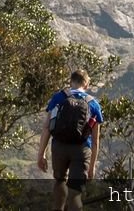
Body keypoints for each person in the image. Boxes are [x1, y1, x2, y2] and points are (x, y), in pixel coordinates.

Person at [37, 69, 103, 211]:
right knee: (75, 192)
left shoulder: (59, 98)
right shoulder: (93, 104)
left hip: (59, 147)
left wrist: (41, 154)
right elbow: (96, 140)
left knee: (60, 181)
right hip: (81, 149)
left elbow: (47, 128)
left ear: (71, 81)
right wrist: (92, 167)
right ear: (86, 84)